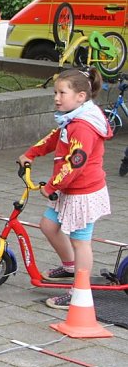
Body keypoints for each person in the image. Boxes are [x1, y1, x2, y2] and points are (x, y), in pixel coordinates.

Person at [18, 69, 112, 310]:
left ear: (80, 96)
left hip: (82, 192)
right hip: (69, 188)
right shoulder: (70, 119)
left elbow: (75, 164)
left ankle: (80, 292)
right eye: (55, 92)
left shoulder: (83, 126)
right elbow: (55, 138)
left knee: (81, 242)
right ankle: (70, 267)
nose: (56, 98)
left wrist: (51, 186)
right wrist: (31, 153)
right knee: (49, 225)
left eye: (62, 93)